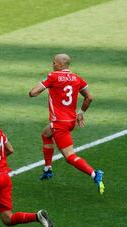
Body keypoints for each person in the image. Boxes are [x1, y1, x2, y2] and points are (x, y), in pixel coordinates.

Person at [28, 54, 105, 194]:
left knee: (70, 156)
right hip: (70, 121)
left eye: (55, 63)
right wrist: (81, 113)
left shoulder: (53, 76)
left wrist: (43, 85)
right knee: (46, 134)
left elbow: (33, 93)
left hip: (59, 123)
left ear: (61, 65)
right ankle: (48, 169)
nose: (52, 64)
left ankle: (95, 173)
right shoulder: (77, 78)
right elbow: (89, 97)